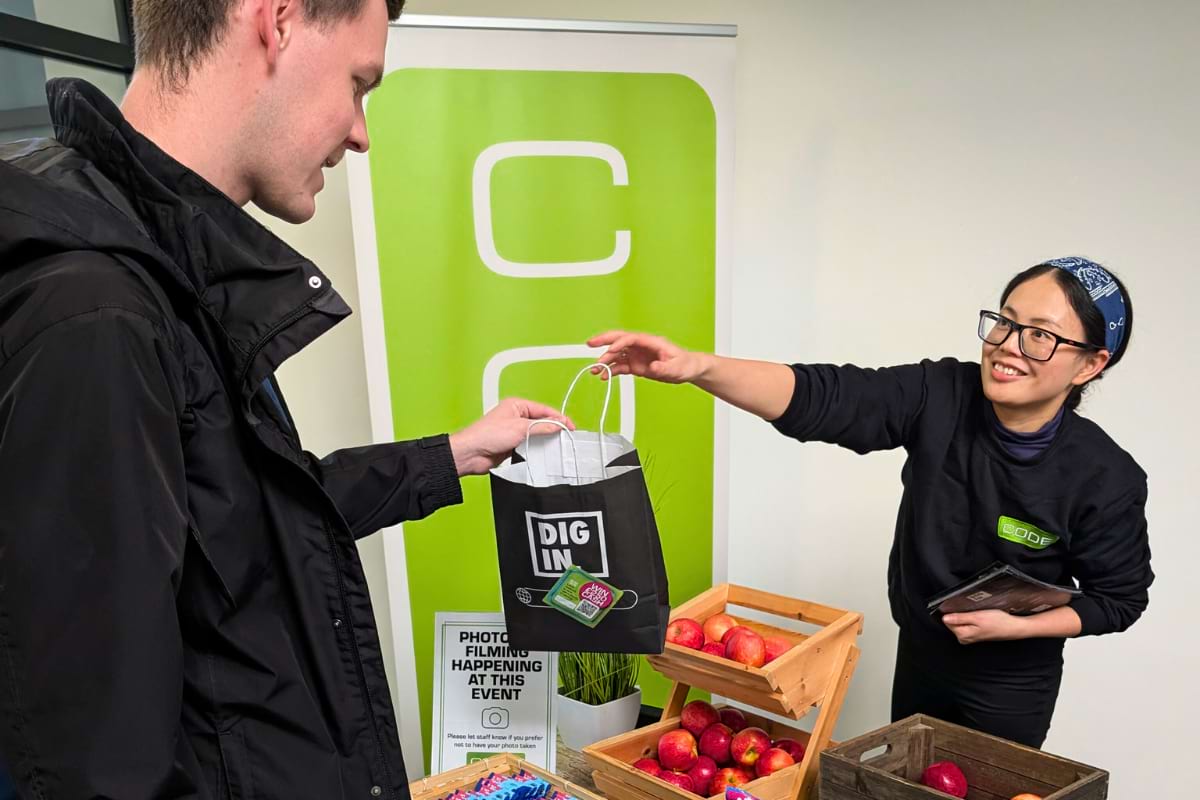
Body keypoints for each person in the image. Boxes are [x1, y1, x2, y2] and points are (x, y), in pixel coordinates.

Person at [0, 0, 570, 796]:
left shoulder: (163, 262)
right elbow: (96, 768)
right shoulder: (96, 315)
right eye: (359, 83)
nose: (361, 131)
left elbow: (245, 518)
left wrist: (451, 455)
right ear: (278, 21)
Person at [588, 257, 1153, 748]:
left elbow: (1119, 601)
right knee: (904, 787)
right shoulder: (941, 395)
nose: (1008, 346)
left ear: (1090, 364)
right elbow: (829, 397)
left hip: (1011, 683)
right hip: (922, 655)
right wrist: (697, 368)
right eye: (1004, 321)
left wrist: (1015, 628)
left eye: (1040, 335)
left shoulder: (1106, 477)